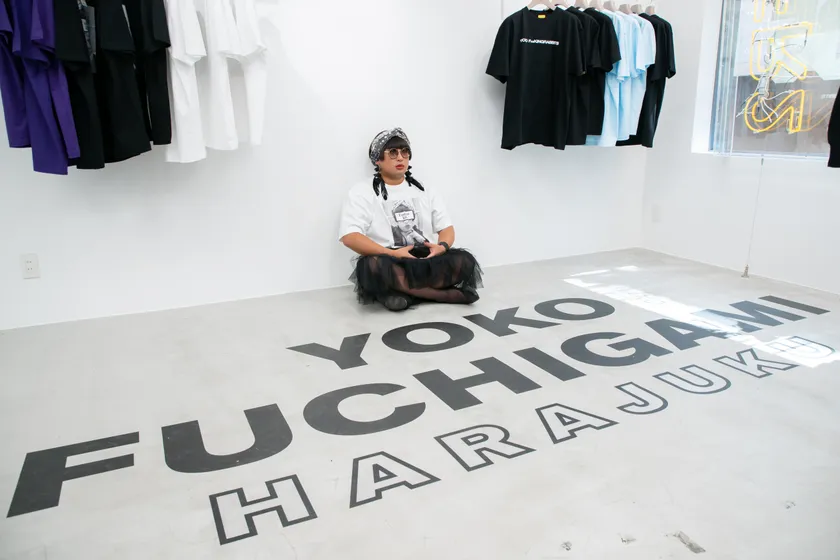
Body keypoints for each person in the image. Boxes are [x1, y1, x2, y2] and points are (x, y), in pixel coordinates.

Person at [339, 128, 483, 311]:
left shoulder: (425, 189)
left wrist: (441, 247)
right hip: (389, 258)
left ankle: (402, 295)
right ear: (377, 160)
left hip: (424, 257)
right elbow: (349, 236)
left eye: (405, 152)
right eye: (393, 153)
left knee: (465, 260)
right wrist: (392, 253)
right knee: (371, 266)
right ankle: (442, 295)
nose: (400, 158)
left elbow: (446, 228)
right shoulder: (361, 191)